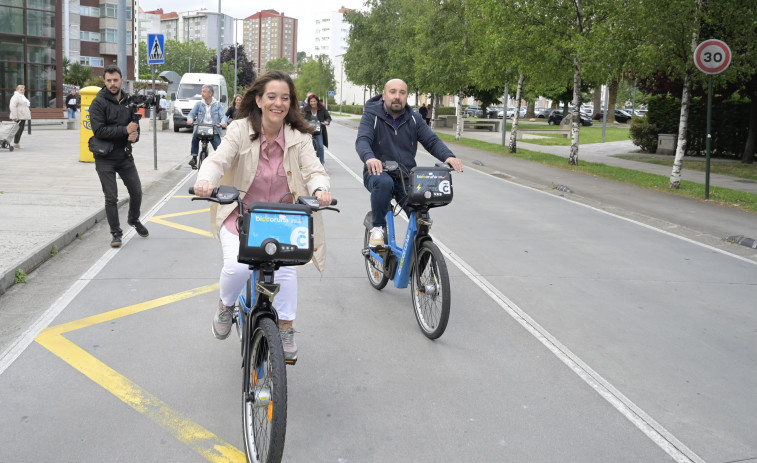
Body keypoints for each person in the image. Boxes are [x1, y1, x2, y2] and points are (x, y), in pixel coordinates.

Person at [192, 70, 332, 361]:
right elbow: (218, 159)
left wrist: (320, 189)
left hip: (284, 219)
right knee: (237, 268)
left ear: (290, 103)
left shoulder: (299, 136)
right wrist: (206, 180)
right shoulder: (240, 129)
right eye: (271, 97)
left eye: (284, 98)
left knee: (287, 271)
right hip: (242, 215)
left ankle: (285, 327)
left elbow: (314, 169)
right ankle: (226, 305)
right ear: (258, 100)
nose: (277, 103)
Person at [356, 78, 463, 247]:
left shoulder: (414, 119)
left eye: (402, 92)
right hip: (377, 172)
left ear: (407, 96)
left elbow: (431, 141)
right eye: (392, 92)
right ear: (384, 95)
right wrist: (370, 157)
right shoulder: (372, 116)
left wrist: (448, 156)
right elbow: (362, 140)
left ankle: (420, 258)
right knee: (384, 182)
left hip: (405, 175)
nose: (397, 96)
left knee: (422, 219)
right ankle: (377, 228)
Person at [89, 65, 150, 248]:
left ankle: (133, 219)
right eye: (109, 80)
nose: (112, 84)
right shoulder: (98, 103)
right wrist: (125, 130)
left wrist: (135, 135)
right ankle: (116, 233)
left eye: (115, 80)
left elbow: (133, 127)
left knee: (137, 191)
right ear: (104, 81)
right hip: (104, 157)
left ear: (122, 80)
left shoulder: (128, 102)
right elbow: (99, 130)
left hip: (124, 156)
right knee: (111, 198)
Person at [186, 84, 228, 169]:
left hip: (214, 129)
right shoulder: (199, 104)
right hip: (201, 128)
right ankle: (194, 158)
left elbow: (223, 115)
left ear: (210, 94)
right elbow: (191, 114)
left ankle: (220, 165)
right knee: (195, 137)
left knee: (219, 149)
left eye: (204, 91)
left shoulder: (217, 105)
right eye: (202, 91)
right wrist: (190, 119)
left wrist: (223, 122)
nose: (202, 93)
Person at [302, 93, 331, 165]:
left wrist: (327, 121)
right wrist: (302, 122)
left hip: (318, 130)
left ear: (317, 101)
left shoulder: (322, 108)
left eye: (314, 101)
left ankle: (322, 162)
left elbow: (328, 117)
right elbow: (300, 116)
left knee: (320, 146)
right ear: (309, 102)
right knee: (306, 146)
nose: (313, 103)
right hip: (308, 130)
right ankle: (306, 162)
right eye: (311, 101)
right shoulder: (305, 109)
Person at [9, 85, 31, 149]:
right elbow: (12, 106)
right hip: (18, 116)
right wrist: (15, 116)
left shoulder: (22, 97)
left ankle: (16, 143)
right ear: (17, 90)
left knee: (20, 130)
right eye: (21, 90)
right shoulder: (15, 97)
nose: (22, 91)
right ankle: (16, 143)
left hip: (23, 116)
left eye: (23, 89)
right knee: (17, 130)